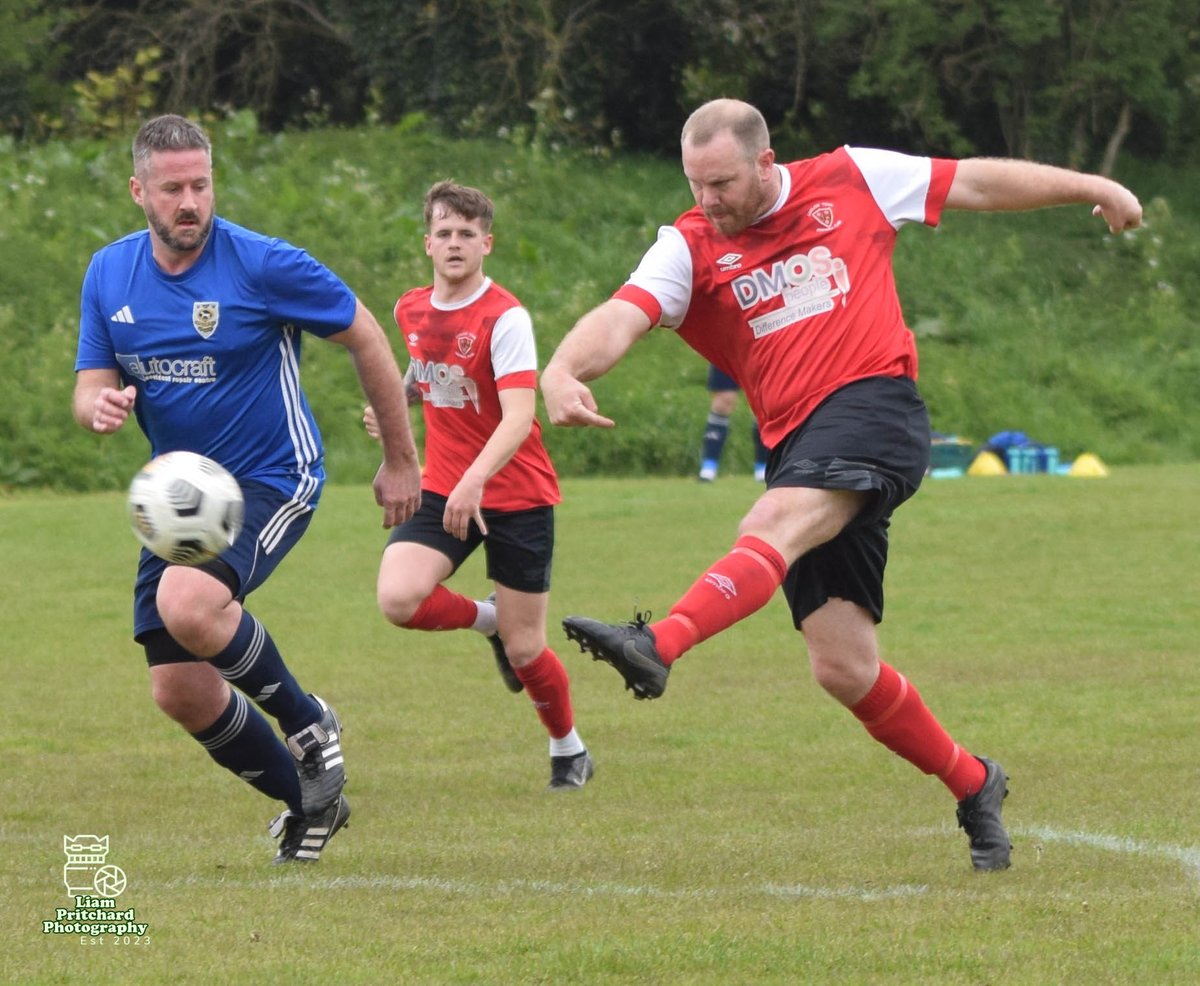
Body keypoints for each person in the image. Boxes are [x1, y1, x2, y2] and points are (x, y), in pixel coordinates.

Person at [541, 98, 1143, 871]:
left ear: (766, 162)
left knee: (773, 519)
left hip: (876, 408)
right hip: (799, 443)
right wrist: (561, 370)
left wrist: (1089, 183)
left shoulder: (852, 176)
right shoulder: (688, 245)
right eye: (694, 184)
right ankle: (975, 781)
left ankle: (659, 641)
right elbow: (622, 317)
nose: (707, 200)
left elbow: (978, 184)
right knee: (842, 666)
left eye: (720, 182)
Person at [72, 114, 422, 864]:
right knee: (181, 691)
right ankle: (311, 806)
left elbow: (364, 333)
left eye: (200, 184)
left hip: (272, 475)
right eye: (172, 189)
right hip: (178, 502)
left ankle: (309, 725)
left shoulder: (264, 264)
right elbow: (90, 383)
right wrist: (97, 406)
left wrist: (401, 458)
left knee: (188, 602)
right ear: (140, 192)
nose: (189, 201)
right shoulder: (109, 273)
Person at [364, 180, 593, 791]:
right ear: (428, 244)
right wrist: (396, 404)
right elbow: (423, 373)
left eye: (468, 233)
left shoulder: (505, 316)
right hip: (443, 486)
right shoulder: (410, 308)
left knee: (526, 650)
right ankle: (486, 620)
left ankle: (568, 748)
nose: (455, 243)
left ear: (486, 243)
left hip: (516, 495)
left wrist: (474, 481)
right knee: (398, 599)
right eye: (444, 233)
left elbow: (520, 416)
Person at [698, 362, 769, 482]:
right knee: (723, 401)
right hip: (728, 350)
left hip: (758, 348)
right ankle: (709, 467)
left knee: (761, 402)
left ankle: (763, 467)